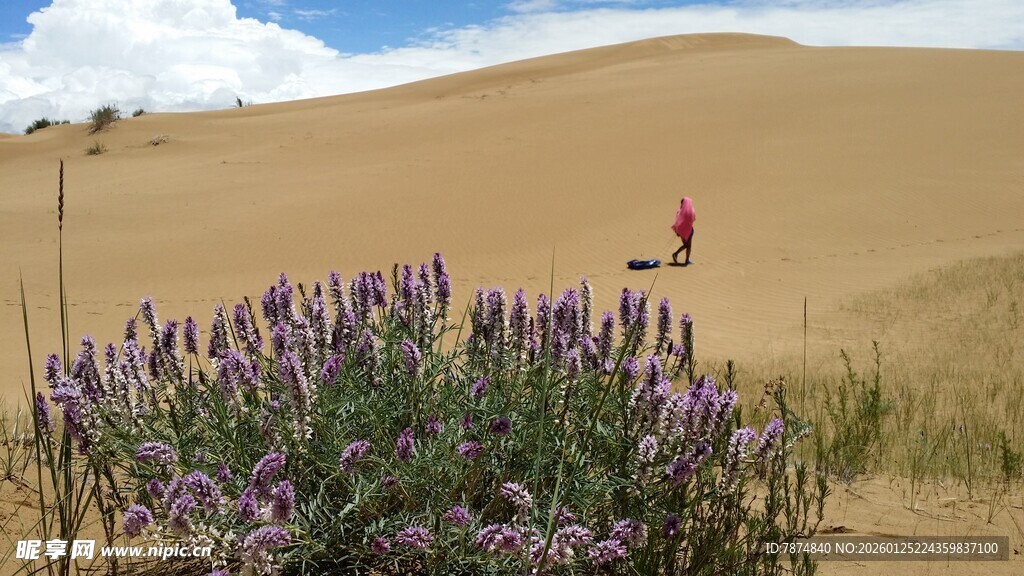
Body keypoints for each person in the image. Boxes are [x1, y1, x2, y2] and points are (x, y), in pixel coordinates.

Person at [670, 197, 695, 265]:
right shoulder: (692, 210)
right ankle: (685, 259)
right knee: (688, 246)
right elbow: (694, 219)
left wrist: (677, 231)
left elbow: (677, 221)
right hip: (689, 231)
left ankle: (676, 254)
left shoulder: (679, 211)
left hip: (681, 232)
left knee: (686, 245)